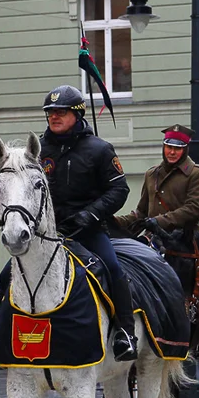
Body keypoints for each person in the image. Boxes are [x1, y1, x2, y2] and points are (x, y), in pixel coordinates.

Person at [39, 84, 137, 361]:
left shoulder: (100, 149)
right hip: (48, 233)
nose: (54, 117)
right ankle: (5, 338)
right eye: (50, 112)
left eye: (60, 111)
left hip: (88, 230)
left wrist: (90, 214)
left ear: (77, 114)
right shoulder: (39, 149)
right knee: (9, 273)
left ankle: (125, 333)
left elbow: (119, 190)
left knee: (113, 269)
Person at [115, 124, 199, 236]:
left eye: (177, 148)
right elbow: (142, 212)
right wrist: (115, 221)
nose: (172, 152)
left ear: (185, 150)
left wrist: (159, 221)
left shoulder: (198, 173)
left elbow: (194, 209)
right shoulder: (151, 174)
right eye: (169, 147)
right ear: (163, 147)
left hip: (185, 241)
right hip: (154, 238)